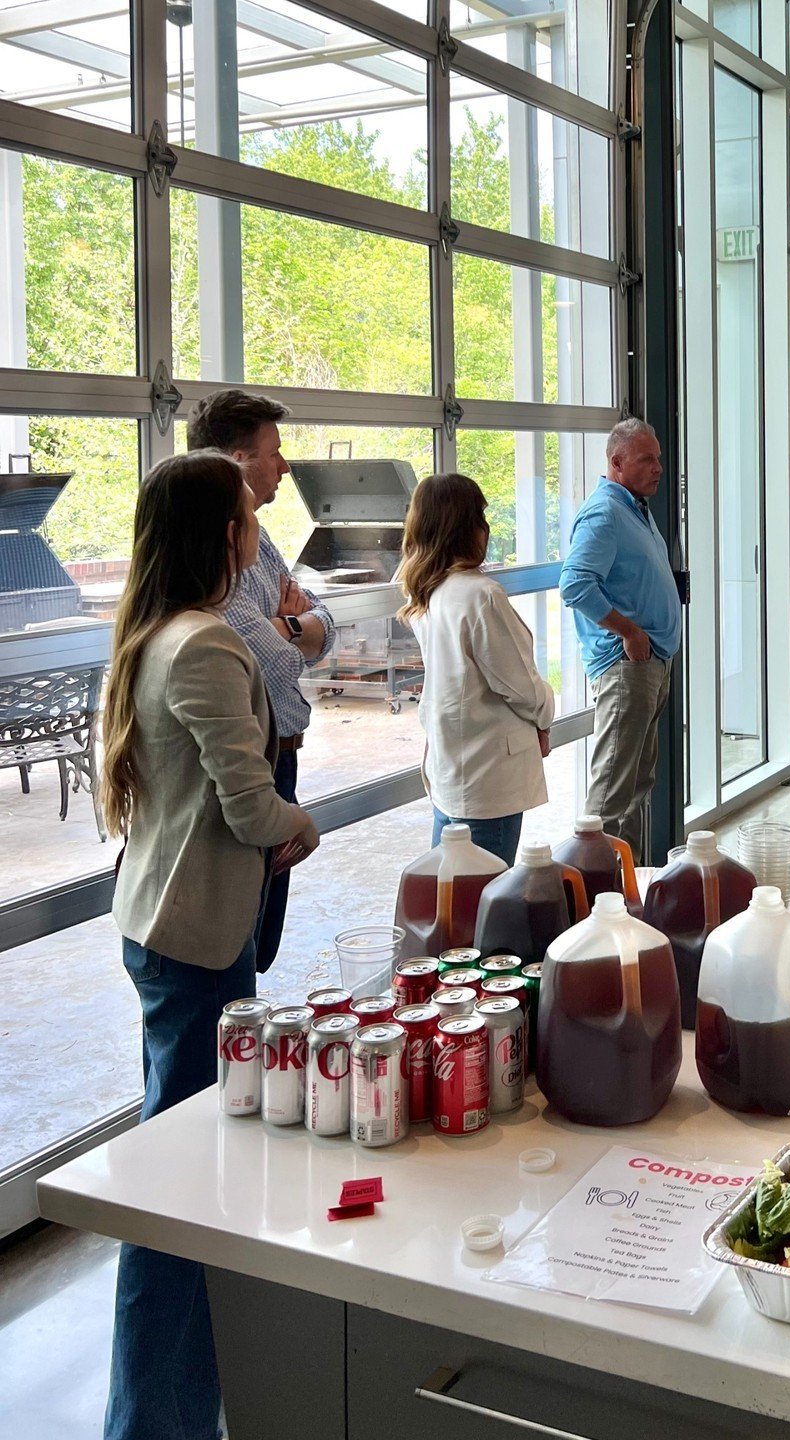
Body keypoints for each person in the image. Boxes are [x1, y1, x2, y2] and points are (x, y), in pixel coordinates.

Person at [101, 452, 319, 1440]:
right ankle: (157, 1419)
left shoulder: (152, 635)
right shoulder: (204, 647)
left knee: (180, 1173)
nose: (257, 537)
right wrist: (297, 826)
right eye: (246, 519)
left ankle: (180, 1407)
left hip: (162, 926)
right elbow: (248, 803)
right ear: (219, 537)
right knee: (180, 1192)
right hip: (196, 941)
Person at [187, 388, 334, 974]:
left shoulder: (260, 534)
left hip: (283, 757)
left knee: (256, 947)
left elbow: (322, 624)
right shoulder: (209, 554)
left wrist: (287, 623)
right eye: (274, 452)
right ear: (235, 461)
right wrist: (292, 629)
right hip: (253, 766)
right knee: (233, 948)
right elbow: (268, 659)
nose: (286, 465)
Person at [396, 472, 553, 863]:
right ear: (467, 527)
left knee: (450, 897)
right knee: (482, 905)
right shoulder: (481, 595)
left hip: (451, 769)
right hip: (488, 781)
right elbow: (519, 685)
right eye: (481, 517)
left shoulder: (429, 592)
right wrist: (545, 714)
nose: (486, 526)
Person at [559, 418, 682, 862]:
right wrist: (629, 631)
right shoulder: (605, 513)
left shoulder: (634, 508)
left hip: (651, 663)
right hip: (626, 667)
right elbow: (575, 585)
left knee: (635, 787)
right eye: (647, 459)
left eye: (659, 458)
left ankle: (628, 886)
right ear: (616, 462)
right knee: (611, 793)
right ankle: (595, 901)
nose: (659, 468)